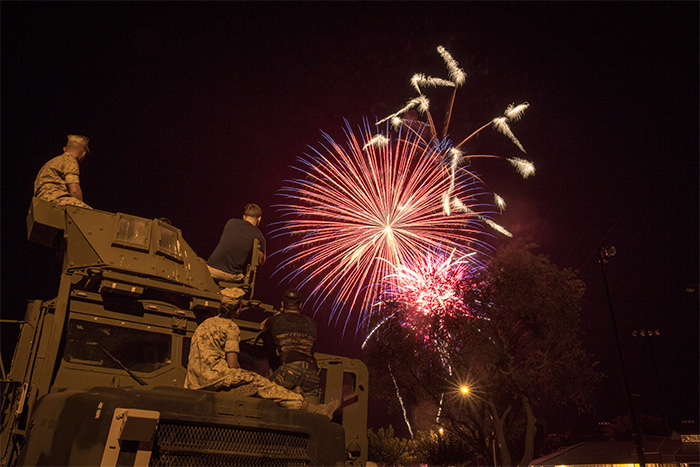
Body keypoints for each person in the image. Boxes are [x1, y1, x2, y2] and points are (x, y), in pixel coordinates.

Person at [184, 296, 339, 419]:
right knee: (264, 385)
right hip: (217, 378)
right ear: (238, 310)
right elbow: (232, 365)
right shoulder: (231, 327)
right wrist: (243, 379)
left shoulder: (204, 324)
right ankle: (314, 409)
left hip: (195, 382)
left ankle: (296, 395)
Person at [262, 289, 321, 404]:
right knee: (313, 411)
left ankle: (295, 392)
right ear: (300, 305)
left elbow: (263, 326)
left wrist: (278, 314)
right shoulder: (312, 323)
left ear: (283, 304)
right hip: (311, 371)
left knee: (263, 394)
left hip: (289, 370)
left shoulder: (275, 321)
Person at [207, 203, 266, 282]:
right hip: (231, 276)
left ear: (244, 217)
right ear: (259, 219)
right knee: (242, 278)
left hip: (210, 270)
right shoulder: (259, 236)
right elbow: (260, 262)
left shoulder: (230, 222)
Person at [34, 134, 92, 209]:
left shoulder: (52, 162)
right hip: (56, 199)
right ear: (83, 153)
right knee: (94, 216)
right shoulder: (70, 161)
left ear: (64, 149)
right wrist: (81, 208)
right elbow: (74, 190)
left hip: (41, 202)